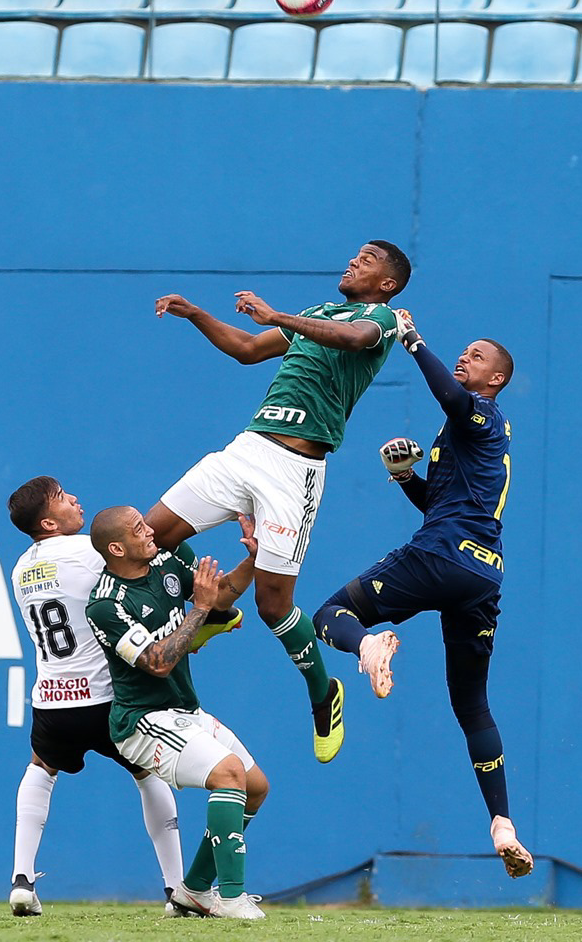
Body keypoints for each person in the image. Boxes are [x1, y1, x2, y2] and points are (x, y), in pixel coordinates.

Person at [144, 240, 412, 764]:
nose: (353, 261)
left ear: (388, 284)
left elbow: (353, 338)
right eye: (355, 255)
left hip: (295, 472)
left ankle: (323, 694)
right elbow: (247, 348)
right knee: (150, 538)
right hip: (246, 449)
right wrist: (196, 314)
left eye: (367, 260)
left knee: (273, 606)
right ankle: (217, 607)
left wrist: (277, 315)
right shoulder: (317, 312)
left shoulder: (381, 319)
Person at [311, 313, 534, 879]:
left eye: (477, 356)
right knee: (471, 704)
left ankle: (368, 646)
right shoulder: (476, 432)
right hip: (482, 576)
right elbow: (442, 504)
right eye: (465, 351)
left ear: (497, 379)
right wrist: (406, 476)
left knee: (330, 614)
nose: (465, 358)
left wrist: (413, 341)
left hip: (441, 556)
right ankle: (503, 824)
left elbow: (452, 400)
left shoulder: (479, 411)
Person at [7, 477, 241, 917]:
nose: (75, 499)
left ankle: (22, 879)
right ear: (48, 522)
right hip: (108, 698)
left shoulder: (21, 568)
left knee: (41, 768)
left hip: (52, 700)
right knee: (148, 774)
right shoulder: (87, 552)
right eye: (62, 499)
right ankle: (175, 887)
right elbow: (144, 563)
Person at [85, 506, 269, 920]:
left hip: (185, 709)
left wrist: (254, 560)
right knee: (229, 774)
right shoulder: (105, 605)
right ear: (117, 549)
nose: (150, 531)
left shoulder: (165, 559)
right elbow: (158, 663)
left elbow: (220, 595)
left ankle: (194, 891)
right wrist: (200, 609)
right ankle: (232, 897)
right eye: (139, 529)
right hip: (142, 722)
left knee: (255, 787)